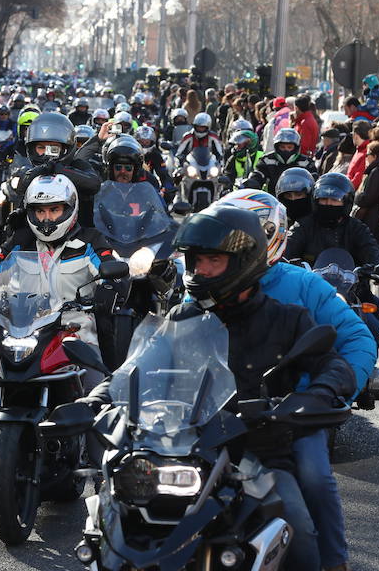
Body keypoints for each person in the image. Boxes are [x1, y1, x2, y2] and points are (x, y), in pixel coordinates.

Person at [81, 204, 356, 571]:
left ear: (245, 261)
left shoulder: (288, 319)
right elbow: (138, 366)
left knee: (300, 532)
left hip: (259, 454)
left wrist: (314, 396)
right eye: (195, 261)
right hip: (184, 450)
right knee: (117, 516)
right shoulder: (182, 317)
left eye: (213, 260)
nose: (201, 270)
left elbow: (335, 366)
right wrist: (100, 397)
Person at [220, 189, 375, 571]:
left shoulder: (305, 286)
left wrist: (326, 395)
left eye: (248, 234)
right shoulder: (206, 283)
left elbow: (356, 338)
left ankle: (333, 562)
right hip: (219, 413)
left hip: (291, 414)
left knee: (314, 476)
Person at [0, 174, 115, 390]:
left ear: (70, 209)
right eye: (40, 211)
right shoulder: (21, 241)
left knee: (97, 396)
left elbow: (111, 268)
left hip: (74, 330)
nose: (46, 218)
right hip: (23, 329)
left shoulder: (89, 241)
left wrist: (110, 287)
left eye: (54, 210)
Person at [285, 172, 379, 339]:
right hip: (310, 292)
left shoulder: (356, 228)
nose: (328, 204)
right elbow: (287, 249)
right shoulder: (304, 226)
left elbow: (372, 249)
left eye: (334, 200)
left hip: (353, 293)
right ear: (315, 200)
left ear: (346, 202)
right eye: (323, 199)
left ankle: (369, 361)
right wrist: (287, 263)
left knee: (374, 317)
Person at [15, 112, 101, 228]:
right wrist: (42, 170)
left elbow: (94, 184)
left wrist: (60, 170)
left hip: (78, 234)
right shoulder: (29, 172)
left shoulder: (78, 165)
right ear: (32, 149)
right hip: (36, 234)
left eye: (53, 148)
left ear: (66, 148)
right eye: (41, 147)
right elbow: (20, 192)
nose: (47, 152)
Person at [243, 128, 316, 194]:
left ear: (296, 147)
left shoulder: (306, 162)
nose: (286, 150)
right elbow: (258, 174)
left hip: (300, 199)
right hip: (273, 200)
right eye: (282, 147)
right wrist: (252, 182)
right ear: (277, 147)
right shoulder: (267, 160)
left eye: (289, 147)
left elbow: (314, 179)